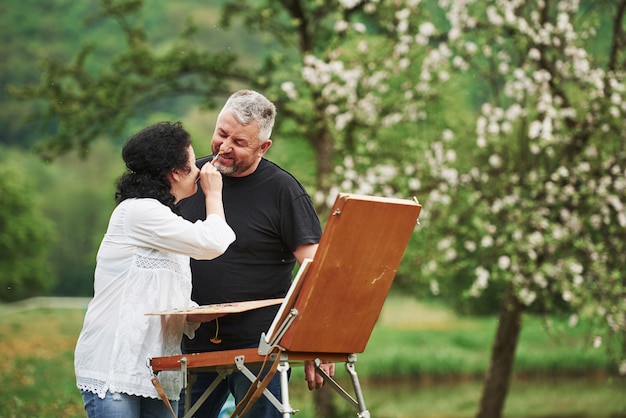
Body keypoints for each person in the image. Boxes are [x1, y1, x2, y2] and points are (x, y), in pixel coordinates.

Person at [178, 90, 334, 418]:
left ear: (263, 147)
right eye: (221, 134)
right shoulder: (189, 179)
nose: (224, 147)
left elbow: (317, 270)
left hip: (260, 349)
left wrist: (318, 343)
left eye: (238, 142)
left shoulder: (284, 191)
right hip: (189, 346)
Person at [74, 121, 236, 418]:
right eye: (192, 163)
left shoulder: (161, 218)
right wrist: (214, 194)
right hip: (116, 368)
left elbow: (154, 292)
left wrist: (193, 312)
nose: (199, 171)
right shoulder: (139, 211)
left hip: (157, 369)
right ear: (174, 173)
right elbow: (213, 243)